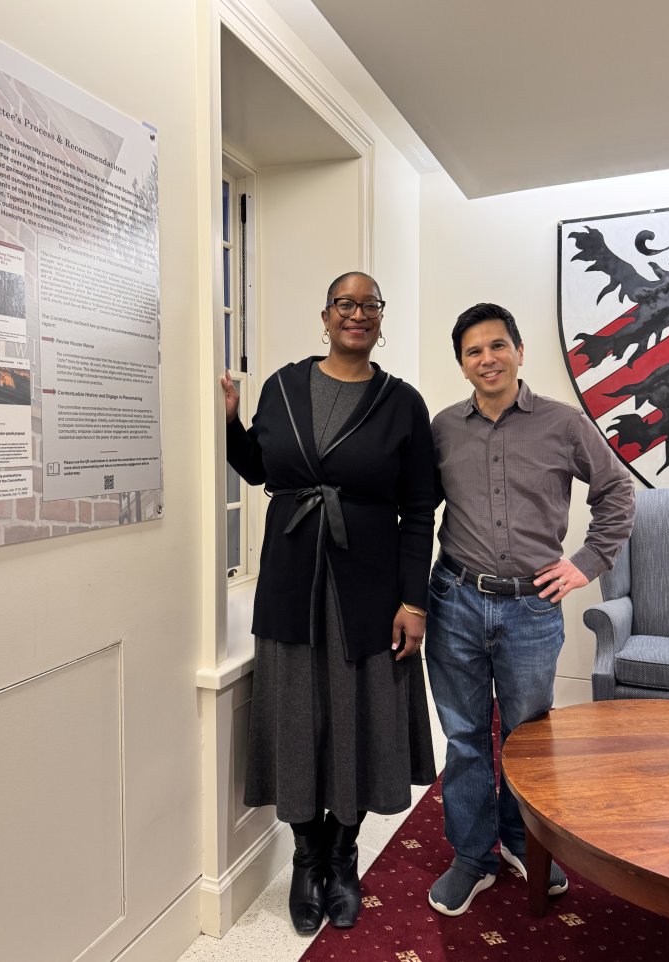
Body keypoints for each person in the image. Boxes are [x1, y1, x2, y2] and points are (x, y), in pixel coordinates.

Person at [221, 272, 437, 935]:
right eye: (345, 303)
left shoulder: (401, 403)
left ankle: (343, 858)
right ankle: (306, 857)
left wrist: (414, 601)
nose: (357, 314)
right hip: (289, 587)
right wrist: (229, 422)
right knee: (294, 722)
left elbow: (418, 510)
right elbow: (259, 470)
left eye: (369, 305)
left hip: (368, 592)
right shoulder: (284, 387)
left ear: (380, 320)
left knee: (360, 723)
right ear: (325, 315)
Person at [424, 303, 636, 917]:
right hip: (455, 602)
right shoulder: (442, 429)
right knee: (465, 739)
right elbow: (415, 510)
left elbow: (617, 491)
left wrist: (586, 563)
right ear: (461, 364)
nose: (486, 358)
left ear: (519, 351)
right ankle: (472, 856)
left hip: (531, 611)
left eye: (497, 346)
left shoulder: (564, 425)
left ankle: (522, 840)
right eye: (473, 351)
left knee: (526, 739)